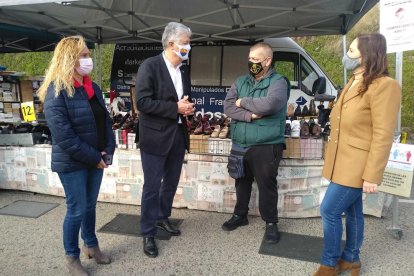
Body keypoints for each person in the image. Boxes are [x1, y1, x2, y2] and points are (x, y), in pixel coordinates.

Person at [313, 33, 401, 276]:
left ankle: (329, 263)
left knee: (329, 210)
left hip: (358, 164)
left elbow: (383, 134)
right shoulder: (355, 80)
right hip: (342, 161)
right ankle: (351, 259)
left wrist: (373, 174)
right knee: (353, 211)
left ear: (368, 54)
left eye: (352, 51)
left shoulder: (385, 86)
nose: (347, 56)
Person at [38, 36, 115, 276]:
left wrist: (108, 149)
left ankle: (91, 245)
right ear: (69, 59)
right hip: (73, 162)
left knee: (90, 205)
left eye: (88, 55)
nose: (88, 59)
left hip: (95, 158)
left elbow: (105, 122)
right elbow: (65, 138)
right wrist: (94, 156)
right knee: (77, 208)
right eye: (82, 55)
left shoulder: (92, 88)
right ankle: (71, 257)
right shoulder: (56, 92)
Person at [135, 22, 195, 258]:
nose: (189, 47)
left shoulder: (183, 69)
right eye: (186, 42)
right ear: (171, 44)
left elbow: (182, 100)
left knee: (170, 183)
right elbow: (143, 103)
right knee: (152, 187)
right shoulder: (150, 66)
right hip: (154, 137)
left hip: (178, 135)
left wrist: (188, 108)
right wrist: (175, 108)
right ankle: (148, 232)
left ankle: (162, 217)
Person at [222, 42, 289, 244]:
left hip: (266, 144)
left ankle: (270, 223)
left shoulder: (279, 82)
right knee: (241, 181)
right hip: (240, 142)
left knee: (266, 184)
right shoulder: (241, 81)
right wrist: (251, 115)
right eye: (250, 59)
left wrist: (241, 102)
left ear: (267, 61)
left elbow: (270, 104)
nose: (251, 63)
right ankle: (240, 215)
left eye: (256, 60)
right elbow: (227, 107)